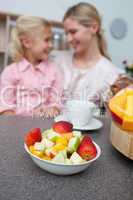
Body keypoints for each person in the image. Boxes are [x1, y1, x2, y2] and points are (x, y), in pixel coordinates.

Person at [53, 2, 125, 109]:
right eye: (66, 33)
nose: (68, 39)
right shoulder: (57, 60)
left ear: (94, 27)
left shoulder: (112, 76)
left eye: (73, 32)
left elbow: (104, 114)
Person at [0, 15, 63, 118]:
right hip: (15, 127)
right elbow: (5, 107)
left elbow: (56, 103)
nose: (51, 45)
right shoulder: (10, 72)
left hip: (45, 126)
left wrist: (52, 110)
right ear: (27, 42)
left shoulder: (55, 71)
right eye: (47, 40)